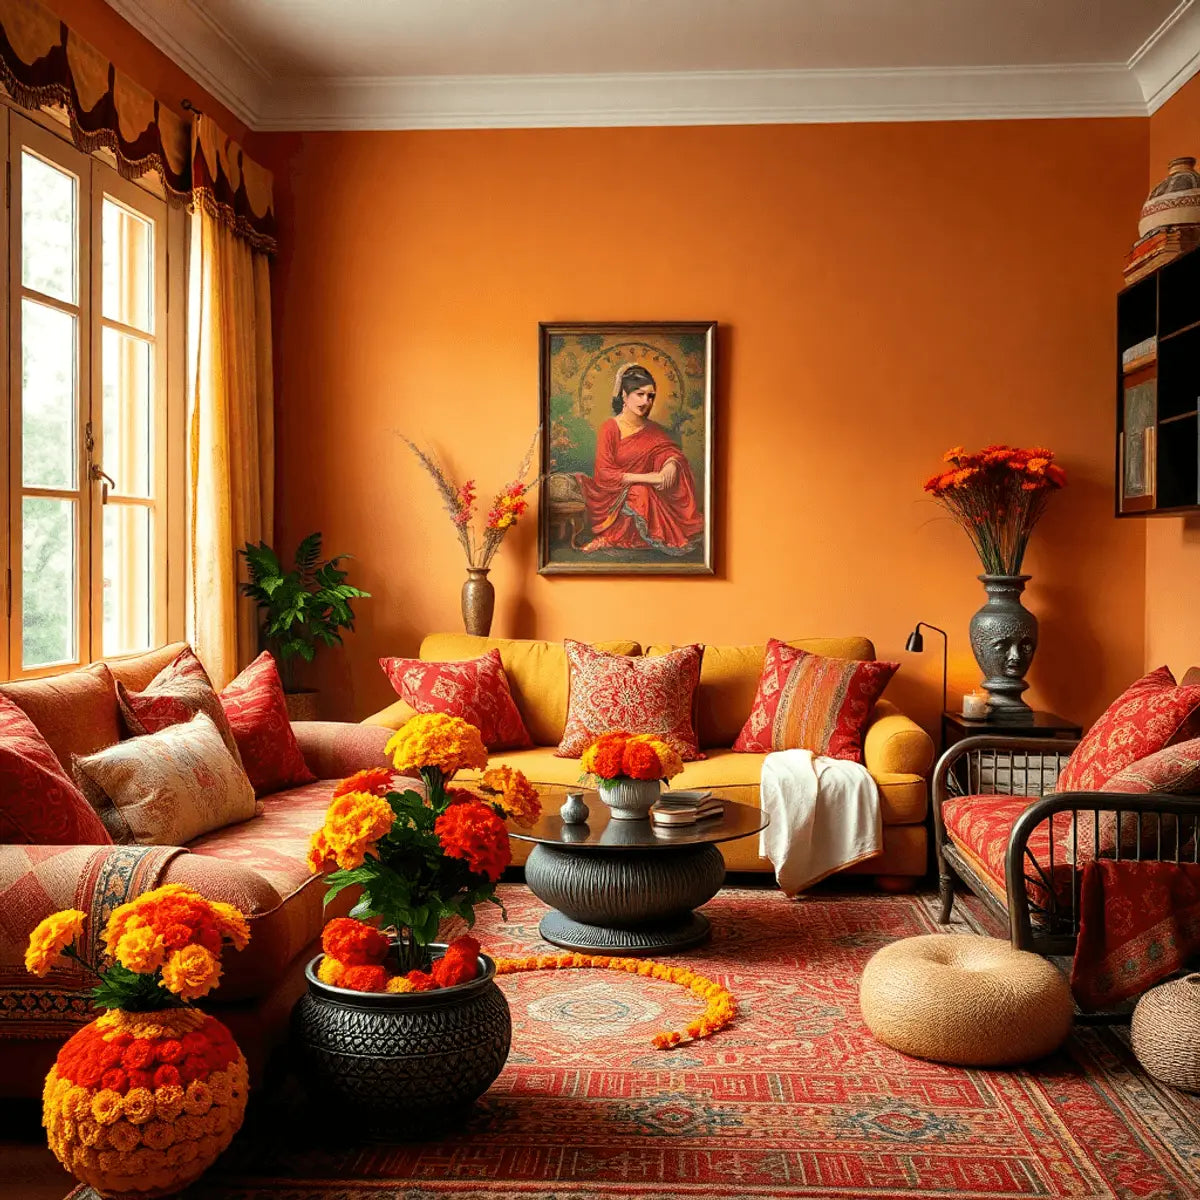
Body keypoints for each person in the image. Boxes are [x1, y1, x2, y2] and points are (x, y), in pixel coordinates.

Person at [578, 362, 704, 555]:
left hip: (648, 495)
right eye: (640, 394)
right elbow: (603, 474)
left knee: (643, 490)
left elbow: (668, 452)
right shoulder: (610, 428)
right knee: (640, 491)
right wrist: (648, 478)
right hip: (610, 497)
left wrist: (671, 465)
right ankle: (609, 537)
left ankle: (642, 538)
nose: (646, 401)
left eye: (651, 396)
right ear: (624, 396)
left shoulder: (654, 430)